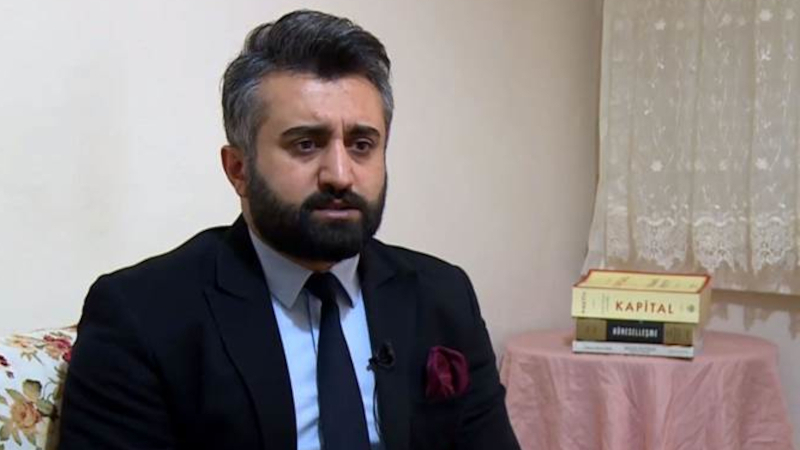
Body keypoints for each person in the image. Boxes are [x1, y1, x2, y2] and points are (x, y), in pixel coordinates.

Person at [57, 9, 520, 450]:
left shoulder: (442, 295)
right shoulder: (143, 315)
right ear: (238, 169)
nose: (340, 174)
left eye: (361, 144)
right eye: (306, 144)